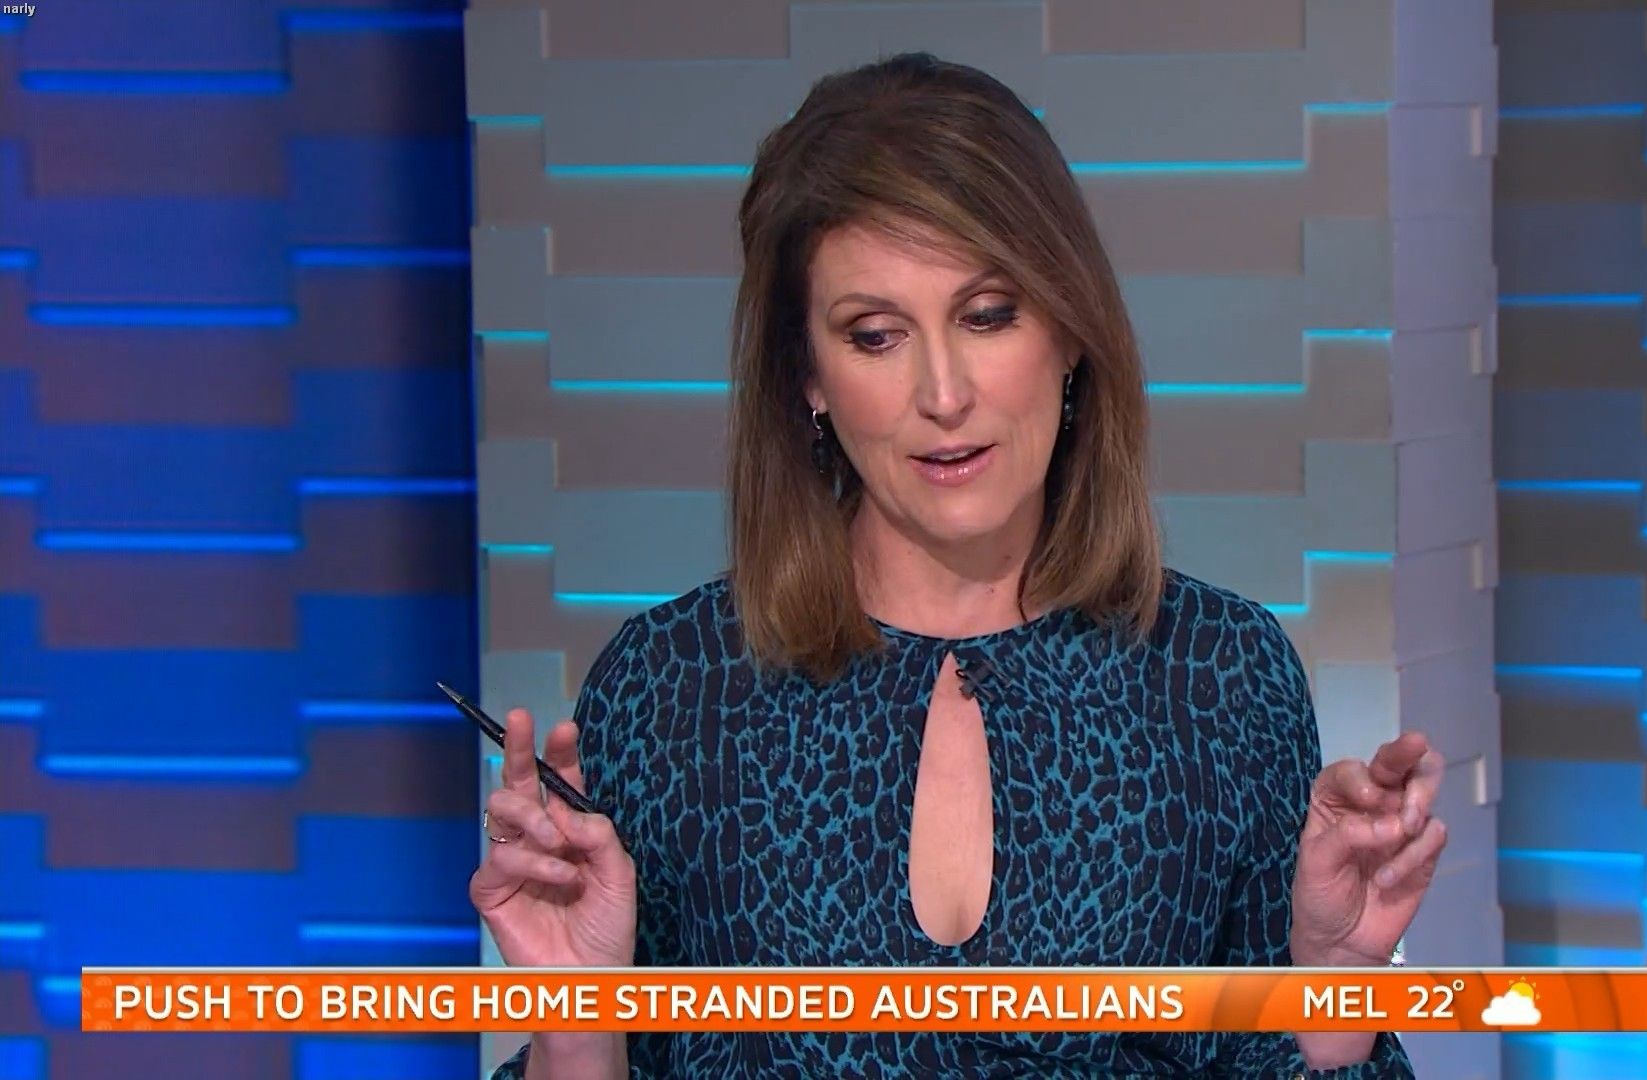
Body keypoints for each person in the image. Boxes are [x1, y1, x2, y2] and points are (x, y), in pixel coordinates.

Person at [472, 51, 1446, 1079]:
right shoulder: (670, 689)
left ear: (1070, 331)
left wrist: (1338, 988)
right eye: (875, 335)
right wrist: (575, 1026)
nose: (944, 394)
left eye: (987, 316)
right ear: (808, 376)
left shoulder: (1224, 676)